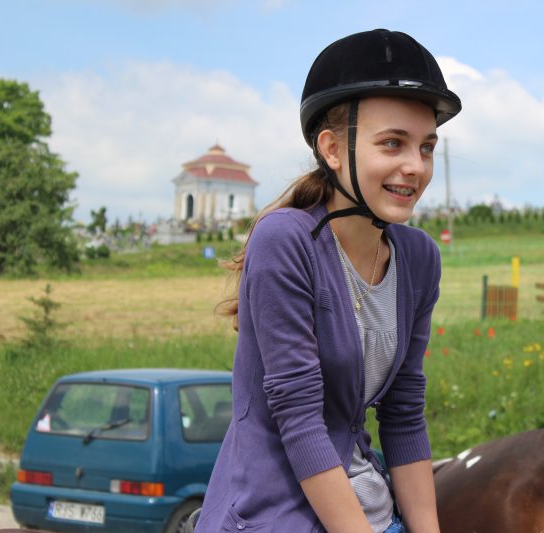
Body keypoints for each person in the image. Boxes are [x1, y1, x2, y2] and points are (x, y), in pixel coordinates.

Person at [195, 29, 462, 533]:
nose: (415, 166)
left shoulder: (420, 257)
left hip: (370, 510)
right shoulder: (286, 240)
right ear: (333, 149)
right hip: (274, 516)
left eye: (426, 147)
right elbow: (299, 420)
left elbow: (403, 412)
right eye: (393, 143)